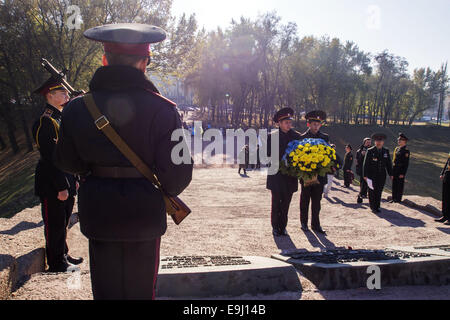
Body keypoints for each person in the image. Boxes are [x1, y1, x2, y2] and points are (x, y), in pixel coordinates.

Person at [54, 23, 193, 300]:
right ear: (144, 63)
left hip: (99, 211)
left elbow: (66, 161)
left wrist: (95, 170)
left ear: (105, 59)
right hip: (144, 213)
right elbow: (178, 176)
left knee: (105, 292)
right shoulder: (164, 110)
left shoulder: (76, 108)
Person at [32, 76, 83, 273]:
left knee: (63, 220)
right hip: (52, 183)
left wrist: (74, 179)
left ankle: (63, 252)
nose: (67, 95)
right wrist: (62, 185)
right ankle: (56, 261)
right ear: (50, 96)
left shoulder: (59, 118)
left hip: (66, 178)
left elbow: (68, 152)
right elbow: (50, 157)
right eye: (62, 93)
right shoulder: (46, 122)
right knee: (54, 223)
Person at [267, 108, 301, 237]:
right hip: (276, 175)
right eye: (286, 122)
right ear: (279, 123)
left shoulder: (296, 136)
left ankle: (283, 227)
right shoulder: (272, 137)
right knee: (276, 202)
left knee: (286, 203)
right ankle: (275, 227)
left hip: (290, 176)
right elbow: (267, 154)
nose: (288, 124)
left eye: (289, 122)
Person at [299, 110, 329, 234]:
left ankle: (316, 225)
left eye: (318, 124)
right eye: (313, 124)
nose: (316, 126)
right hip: (306, 175)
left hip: (320, 176)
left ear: (320, 125)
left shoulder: (325, 137)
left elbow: (328, 155)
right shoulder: (302, 137)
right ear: (308, 124)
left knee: (317, 201)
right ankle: (304, 223)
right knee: (305, 200)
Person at [363, 133, 393, 213]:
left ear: (383, 142)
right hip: (371, 175)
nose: (379, 142)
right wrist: (365, 175)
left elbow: (388, 164)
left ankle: (377, 206)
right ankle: (373, 206)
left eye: (380, 141)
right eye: (377, 141)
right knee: (372, 191)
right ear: (375, 142)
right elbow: (366, 164)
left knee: (379, 191)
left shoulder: (385, 151)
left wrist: (391, 174)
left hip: (381, 175)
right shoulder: (370, 151)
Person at [390, 133, 411, 203]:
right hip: (395, 169)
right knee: (394, 184)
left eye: (400, 140)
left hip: (400, 170)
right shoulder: (397, 149)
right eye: (398, 139)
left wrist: (403, 173)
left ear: (404, 141)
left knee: (399, 185)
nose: (398, 141)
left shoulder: (406, 151)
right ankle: (393, 198)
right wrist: (392, 171)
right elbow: (394, 160)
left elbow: (406, 164)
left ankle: (398, 199)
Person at [356, 138, 372, 204]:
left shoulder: (373, 150)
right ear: (364, 143)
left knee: (370, 183)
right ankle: (362, 194)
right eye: (367, 142)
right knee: (362, 182)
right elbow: (357, 161)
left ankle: (370, 195)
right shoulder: (360, 150)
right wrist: (362, 155)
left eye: (370, 142)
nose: (368, 143)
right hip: (362, 169)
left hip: (371, 169)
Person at [436, 153, 450, 225]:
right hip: (447, 176)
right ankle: (445, 216)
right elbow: (447, 163)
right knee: (445, 197)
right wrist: (442, 173)